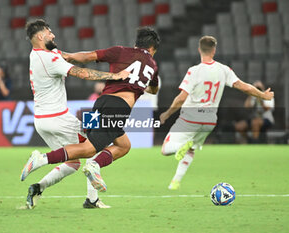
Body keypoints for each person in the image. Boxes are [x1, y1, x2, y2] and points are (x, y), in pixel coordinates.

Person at [20, 27, 160, 196]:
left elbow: (88, 56)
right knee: (90, 149)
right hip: (118, 107)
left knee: (123, 145)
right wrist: (140, 83)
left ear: (136, 44)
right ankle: (44, 159)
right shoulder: (152, 65)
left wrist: (68, 55)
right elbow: (153, 90)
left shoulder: (120, 51)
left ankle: (91, 199)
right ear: (152, 49)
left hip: (99, 102)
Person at [159, 36, 274, 190]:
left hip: (191, 117)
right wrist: (263, 95)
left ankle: (181, 146)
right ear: (214, 50)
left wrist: (167, 114)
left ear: (199, 49)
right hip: (210, 120)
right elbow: (244, 87)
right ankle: (175, 182)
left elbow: (181, 98)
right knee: (191, 149)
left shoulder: (194, 71)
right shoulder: (224, 70)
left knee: (166, 148)